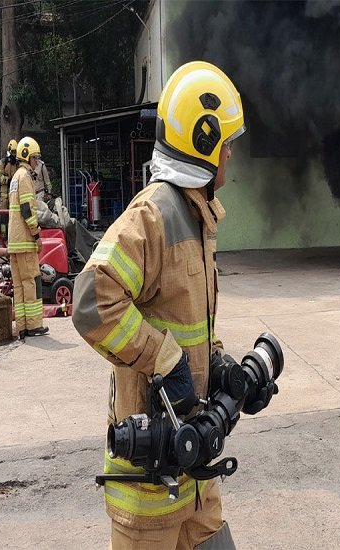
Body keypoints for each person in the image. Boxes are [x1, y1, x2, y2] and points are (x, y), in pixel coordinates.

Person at [72, 61, 247, 549]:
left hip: (196, 474)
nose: (231, 153)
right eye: (226, 141)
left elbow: (188, 320)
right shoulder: (153, 216)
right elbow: (91, 301)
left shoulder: (197, 217)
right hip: (150, 490)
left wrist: (218, 362)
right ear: (204, 141)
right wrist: (163, 359)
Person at [8, 136, 49, 339]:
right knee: (31, 281)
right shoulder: (25, 178)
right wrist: (37, 235)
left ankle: (22, 327)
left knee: (18, 285)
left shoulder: (15, 178)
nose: (37, 162)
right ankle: (34, 326)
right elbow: (27, 210)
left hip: (14, 243)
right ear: (27, 156)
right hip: (25, 241)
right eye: (35, 157)